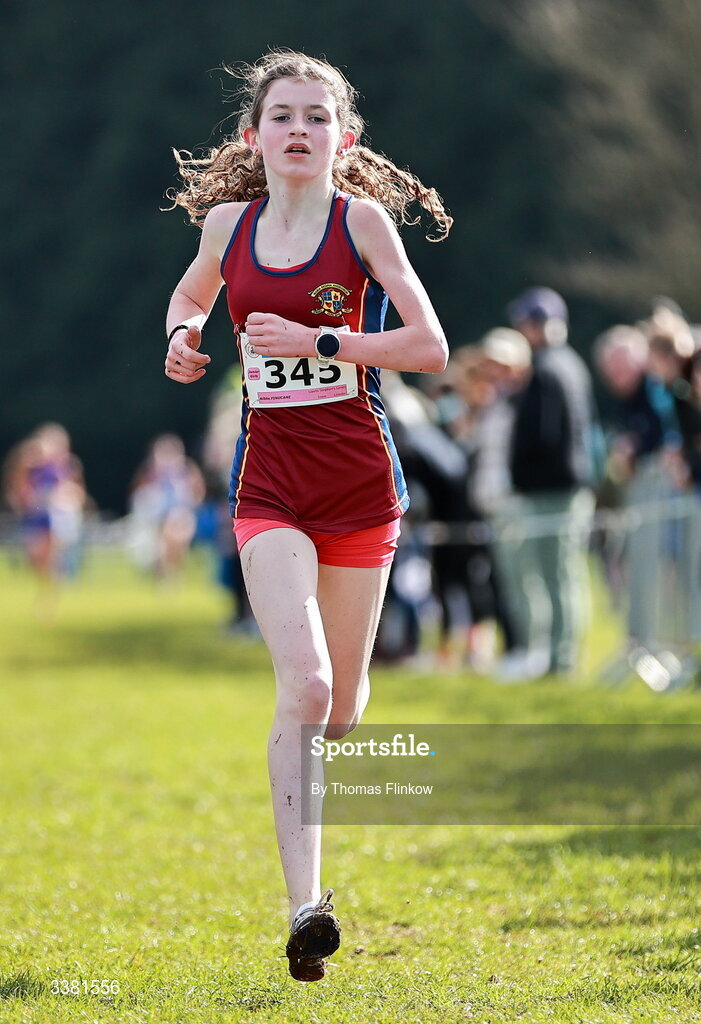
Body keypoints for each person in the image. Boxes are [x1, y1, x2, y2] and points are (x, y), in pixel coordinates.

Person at [163, 50, 450, 982]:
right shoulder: (225, 225)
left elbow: (429, 346)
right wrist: (183, 333)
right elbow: (193, 290)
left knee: (347, 708)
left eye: (316, 117)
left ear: (342, 139)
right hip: (271, 490)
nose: (298, 129)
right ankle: (304, 908)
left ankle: (313, 821)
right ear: (253, 136)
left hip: (362, 489)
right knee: (310, 688)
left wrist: (324, 338)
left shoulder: (359, 223)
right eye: (281, 115)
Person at [506, 287, 598, 677]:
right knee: (563, 574)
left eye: (525, 324)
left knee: (559, 575)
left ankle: (563, 662)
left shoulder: (546, 369)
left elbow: (541, 435)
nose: (521, 331)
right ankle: (561, 658)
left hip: (552, 490)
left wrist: (521, 476)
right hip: (567, 487)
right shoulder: (572, 363)